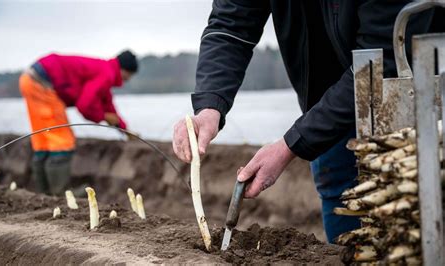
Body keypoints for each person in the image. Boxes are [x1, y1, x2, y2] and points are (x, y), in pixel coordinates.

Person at [172, 1, 440, 243]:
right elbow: (231, 25)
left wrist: (291, 145)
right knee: (342, 198)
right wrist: (210, 105)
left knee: (416, 214)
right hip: (324, 98)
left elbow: (382, 62)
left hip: (412, 92)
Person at [19, 50, 138, 196]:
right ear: (125, 71)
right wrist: (103, 116)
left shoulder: (104, 69)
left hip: (29, 79)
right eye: (129, 76)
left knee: (43, 140)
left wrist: (124, 129)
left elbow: (107, 104)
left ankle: (44, 194)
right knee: (62, 140)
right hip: (44, 84)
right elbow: (85, 105)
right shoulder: (107, 74)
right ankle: (60, 194)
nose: (128, 80)